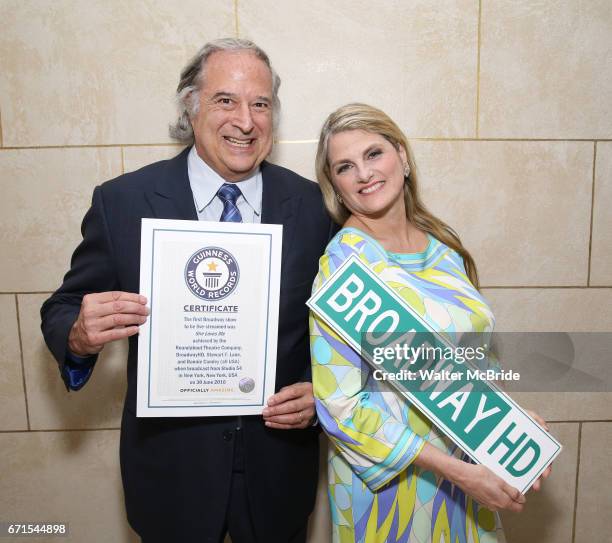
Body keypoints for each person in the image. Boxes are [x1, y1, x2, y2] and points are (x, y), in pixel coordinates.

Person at [40, 38, 336, 543]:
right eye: (226, 100)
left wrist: (321, 395)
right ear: (191, 108)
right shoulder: (123, 202)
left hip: (277, 473)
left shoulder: (311, 205)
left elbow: (337, 333)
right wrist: (79, 334)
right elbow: (63, 307)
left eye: (260, 104)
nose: (245, 120)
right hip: (171, 474)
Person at [309, 103, 552, 543]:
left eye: (374, 153)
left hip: (468, 474)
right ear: (337, 188)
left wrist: (509, 422)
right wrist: (458, 472)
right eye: (345, 167)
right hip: (393, 491)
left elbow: (476, 367)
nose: (364, 173)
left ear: (402, 156)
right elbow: (340, 408)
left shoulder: (446, 250)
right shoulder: (345, 266)